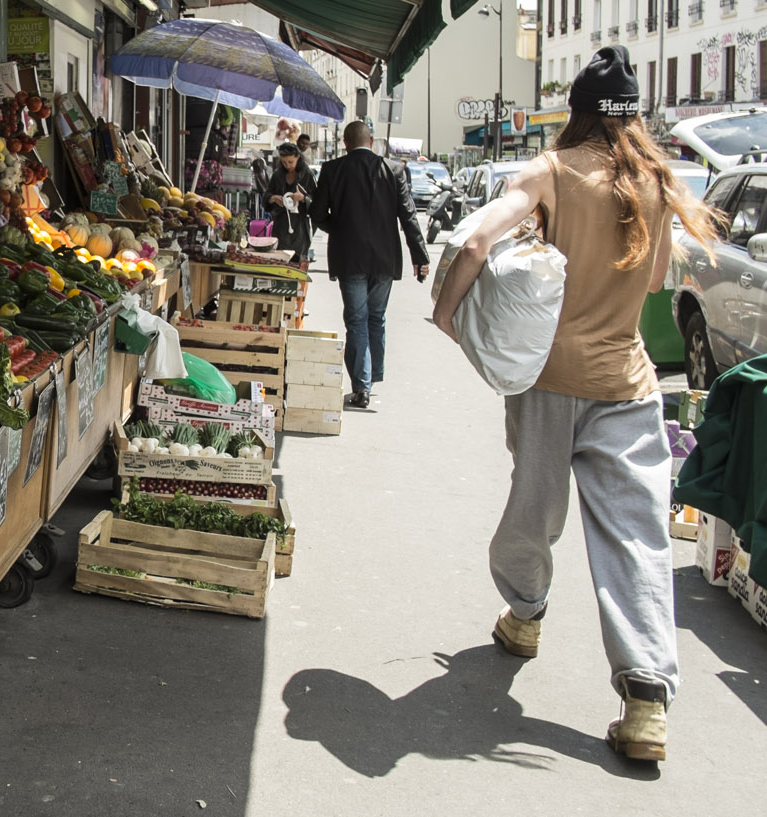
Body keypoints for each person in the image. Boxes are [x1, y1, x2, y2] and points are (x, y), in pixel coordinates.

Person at [429, 45, 720, 763]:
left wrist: (446, 311)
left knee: (534, 513)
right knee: (637, 537)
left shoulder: (551, 171)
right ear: (633, 117)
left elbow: (473, 241)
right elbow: (654, 282)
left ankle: (524, 615)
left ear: (580, 111)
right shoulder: (654, 182)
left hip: (552, 382)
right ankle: (646, 698)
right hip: (628, 383)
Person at [312, 121, 429, 410]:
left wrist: (337, 228)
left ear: (345, 143)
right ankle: (371, 378)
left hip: (350, 257)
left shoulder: (333, 169)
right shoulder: (395, 170)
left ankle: (362, 386)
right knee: (376, 317)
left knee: (356, 320)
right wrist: (420, 257)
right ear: (372, 141)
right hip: (384, 259)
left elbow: (316, 213)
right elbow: (408, 216)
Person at [263, 142, 316, 262]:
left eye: (291, 162)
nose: (288, 165)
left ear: (298, 157)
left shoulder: (308, 175)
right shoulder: (277, 175)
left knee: (298, 264)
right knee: (279, 262)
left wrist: (303, 198)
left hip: (300, 228)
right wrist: (273, 198)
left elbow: (318, 201)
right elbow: (267, 195)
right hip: (281, 225)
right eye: (284, 162)